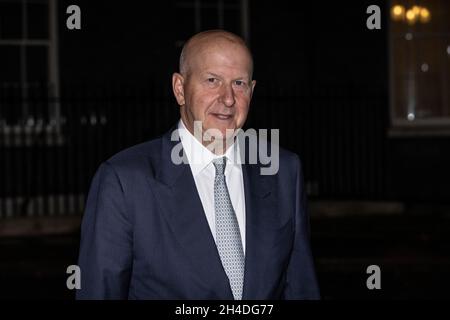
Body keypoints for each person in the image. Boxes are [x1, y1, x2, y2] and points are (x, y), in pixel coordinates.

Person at [76, 30, 320, 299]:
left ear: (251, 91)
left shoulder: (283, 171)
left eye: (238, 83)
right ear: (180, 89)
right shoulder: (124, 181)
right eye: (212, 80)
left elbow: (300, 286)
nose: (228, 98)